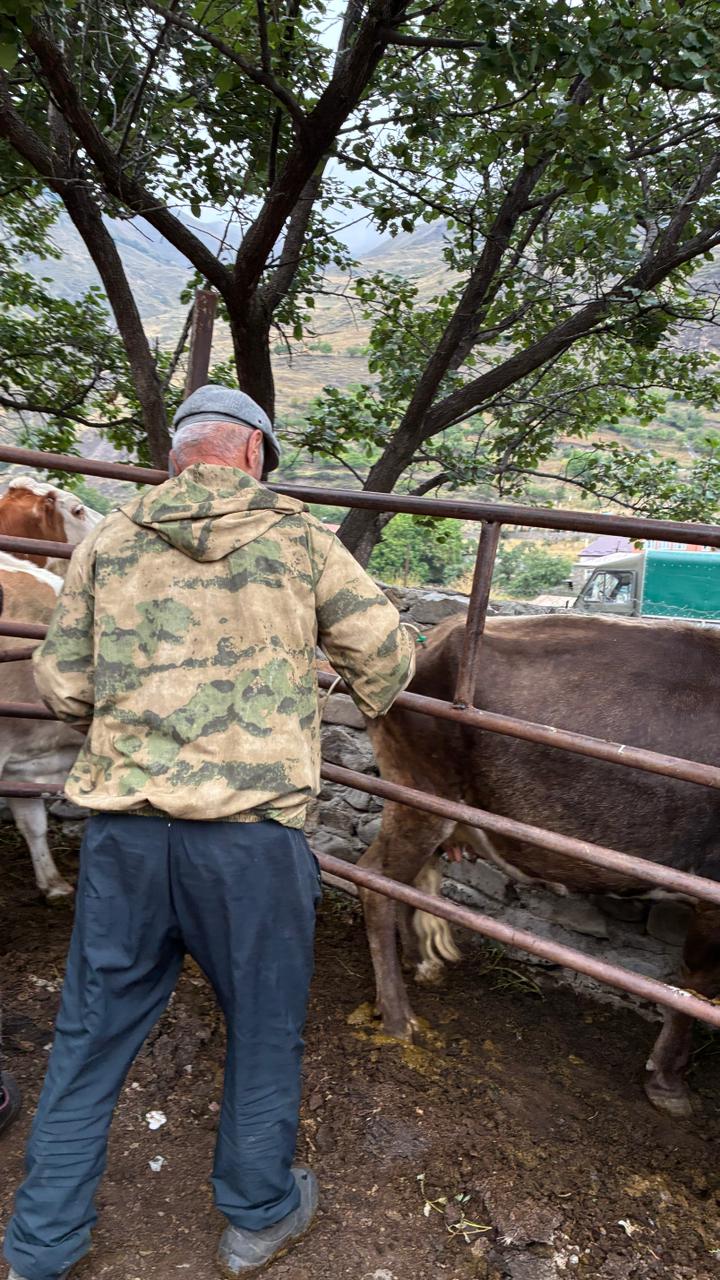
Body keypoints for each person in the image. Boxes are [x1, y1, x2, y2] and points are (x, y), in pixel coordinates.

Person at [4, 384, 415, 1280]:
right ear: (255, 453)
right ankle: (257, 1215)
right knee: (264, 1028)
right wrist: (306, 688)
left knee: (91, 1033)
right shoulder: (302, 539)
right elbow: (386, 661)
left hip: (124, 838)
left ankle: (40, 1243)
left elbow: (63, 687)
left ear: (180, 454)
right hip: (251, 846)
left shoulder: (111, 540)